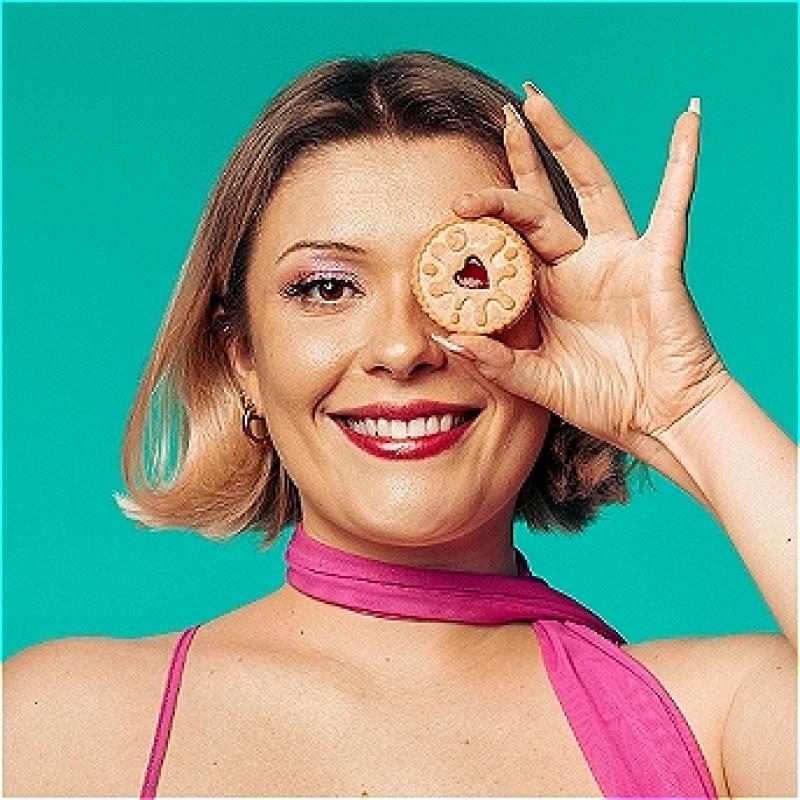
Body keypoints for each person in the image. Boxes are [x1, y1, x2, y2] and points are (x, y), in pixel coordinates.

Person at [3, 51, 796, 798]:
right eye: (326, 287)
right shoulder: (62, 726)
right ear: (243, 354)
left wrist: (687, 407)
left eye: (469, 274)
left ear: (552, 324)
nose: (401, 348)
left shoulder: (719, 724)